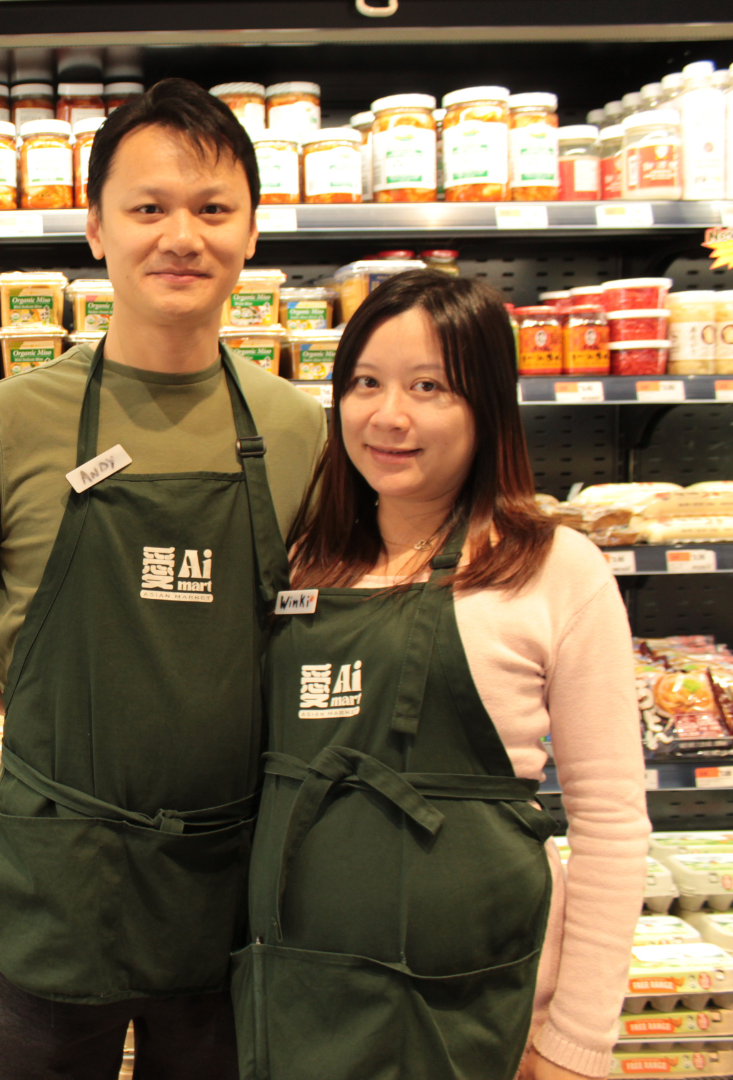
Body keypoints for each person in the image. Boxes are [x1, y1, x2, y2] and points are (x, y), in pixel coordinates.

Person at [0, 77, 325, 1080]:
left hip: (234, 884)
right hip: (61, 878)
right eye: (148, 207)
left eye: (213, 209)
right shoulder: (10, 420)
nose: (182, 237)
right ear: (97, 229)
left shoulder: (299, 429)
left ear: (252, 232)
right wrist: (45, 703)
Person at [229, 269, 649, 1080]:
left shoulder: (556, 568)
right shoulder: (302, 561)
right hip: (294, 994)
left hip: (478, 1006)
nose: (389, 416)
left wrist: (577, 1041)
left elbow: (611, 822)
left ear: (486, 404)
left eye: (429, 387)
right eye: (366, 383)